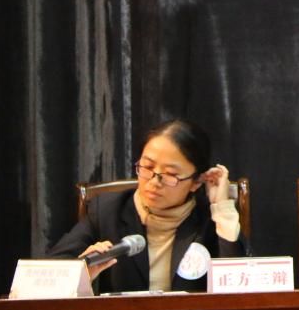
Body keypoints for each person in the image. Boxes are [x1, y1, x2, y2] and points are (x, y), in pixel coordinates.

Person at [48, 119, 250, 292]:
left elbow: (239, 285)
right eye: (147, 167)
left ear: (196, 182)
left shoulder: (209, 219)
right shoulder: (109, 210)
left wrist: (223, 209)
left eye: (170, 175)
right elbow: (52, 272)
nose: (154, 182)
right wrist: (83, 270)